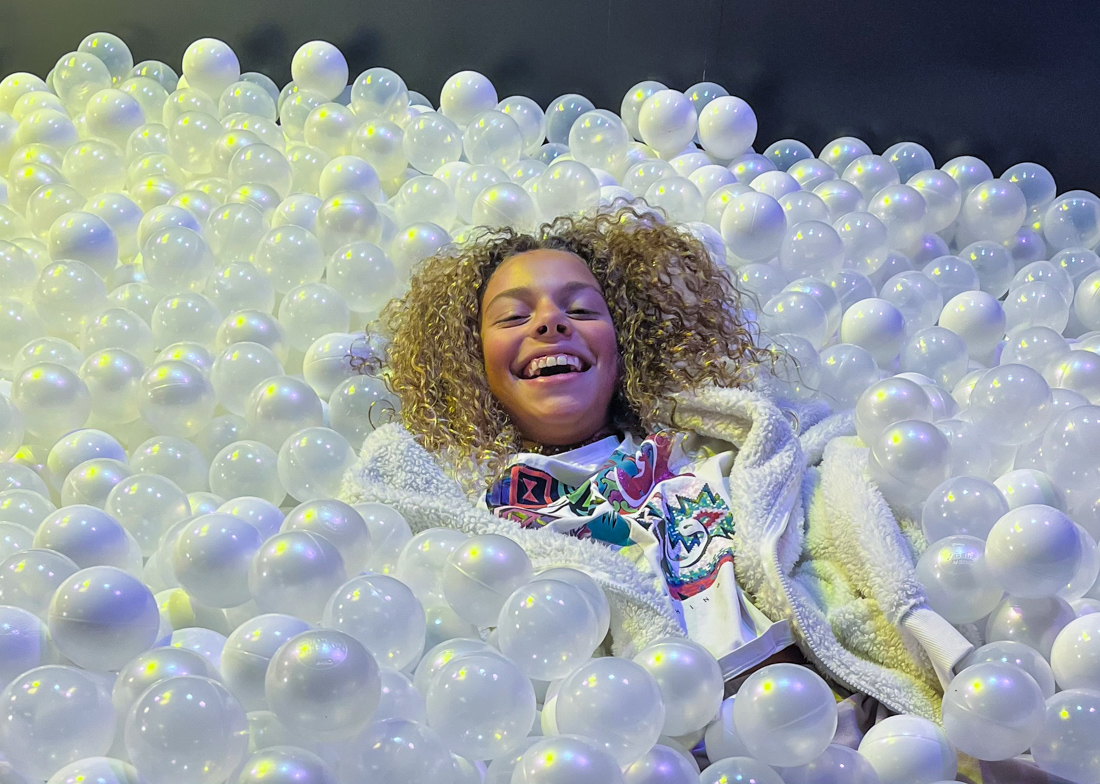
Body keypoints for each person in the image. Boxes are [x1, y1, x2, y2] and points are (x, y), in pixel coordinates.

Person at [342, 205, 973, 726]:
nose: (551, 322)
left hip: (823, 713)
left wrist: (918, 627)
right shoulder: (476, 509)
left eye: (582, 310)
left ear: (627, 342)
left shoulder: (709, 452)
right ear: (472, 361)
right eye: (513, 315)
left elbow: (833, 484)